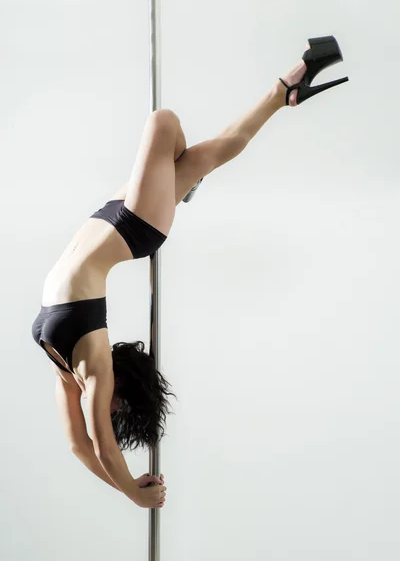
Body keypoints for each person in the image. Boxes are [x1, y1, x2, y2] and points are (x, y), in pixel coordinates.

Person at [31, 35, 349, 509]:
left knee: (207, 154)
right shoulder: (95, 369)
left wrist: (126, 489)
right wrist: (133, 494)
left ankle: (288, 89)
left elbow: (80, 446)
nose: (109, 411)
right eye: (120, 408)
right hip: (136, 227)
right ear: (125, 386)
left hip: (110, 217)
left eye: (111, 412)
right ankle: (193, 174)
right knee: (165, 125)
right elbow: (99, 445)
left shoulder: (64, 367)